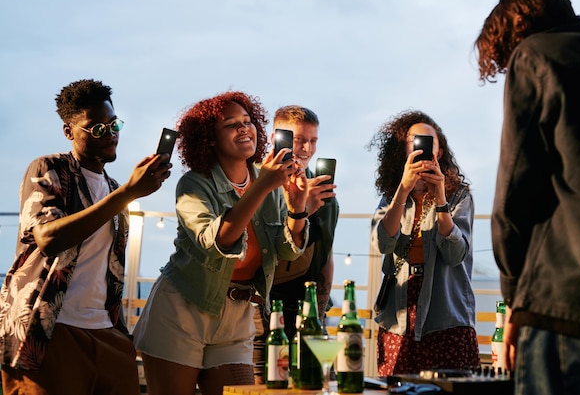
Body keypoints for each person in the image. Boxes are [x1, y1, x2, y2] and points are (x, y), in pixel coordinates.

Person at [475, 0, 580, 394]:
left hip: (563, 309)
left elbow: (514, 198)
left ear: (513, 35)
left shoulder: (536, 55)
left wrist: (515, 306)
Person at [0, 79, 172, 395]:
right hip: (51, 332)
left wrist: (121, 335)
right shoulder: (49, 169)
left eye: (114, 124)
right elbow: (48, 238)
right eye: (96, 129)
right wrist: (129, 192)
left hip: (108, 333)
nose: (110, 134)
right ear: (69, 131)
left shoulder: (114, 187)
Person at [132, 91, 310, 395]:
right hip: (182, 311)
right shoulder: (194, 184)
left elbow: (284, 248)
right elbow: (214, 241)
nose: (244, 128)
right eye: (231, 125)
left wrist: (297, 208)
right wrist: (262, 187)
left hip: (237, 317)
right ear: (209, 139)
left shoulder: (268, 179)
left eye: (247, 121)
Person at [368, 110, 479, 376]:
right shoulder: (392, 196)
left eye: (430, 141)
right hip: (398, 316)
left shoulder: (459, 196)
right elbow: (382, 243)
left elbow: (455, 254)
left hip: (446, 315)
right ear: (404, 150)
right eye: (414, 141)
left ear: (439, 151)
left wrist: (440, 198)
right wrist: (403, 190)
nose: (422, 146)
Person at [252, 105, 339, 383]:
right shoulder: (254, 182)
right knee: (261, 386)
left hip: (307, 314)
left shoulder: (325, 194)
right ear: (275, 137)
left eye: (313, 140)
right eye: (299, 139)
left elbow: (325, 257)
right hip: (260, 313)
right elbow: (257, 251)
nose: (306, 148)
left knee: (318, 384)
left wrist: (321, 314)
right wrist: (302, 209)